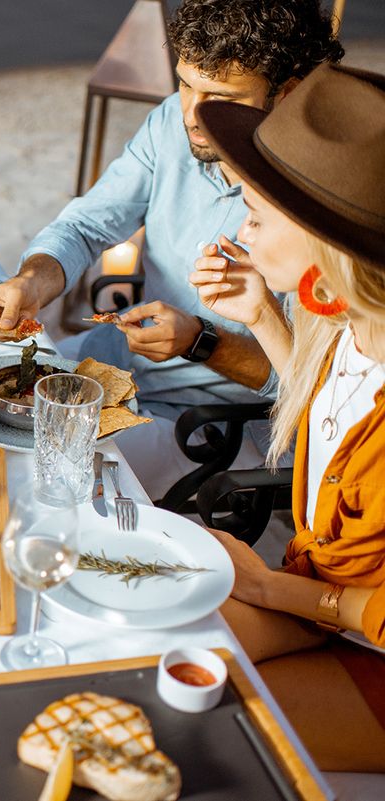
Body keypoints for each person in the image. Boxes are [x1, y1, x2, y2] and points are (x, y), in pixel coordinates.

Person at [0, 0, 343, 500]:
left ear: (289, 91)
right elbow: (87, 224)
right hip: (110, 369)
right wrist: (32, 282)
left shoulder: (324, 204)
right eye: (185, 83)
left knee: (20, 484)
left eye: (219, 96)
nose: (192, 114)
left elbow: (315, 390)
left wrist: (201, 342)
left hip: (210, 426)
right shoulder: (174, 121)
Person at [188, 64, 385, 770]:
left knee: (208, 731)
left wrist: (273, 587)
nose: (239, 228)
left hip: (365, 639)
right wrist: (263, 316)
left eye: (255, 214)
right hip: (320, 599)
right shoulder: (349, 328)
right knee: (159, 651)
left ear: (324, 253)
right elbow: (328, 419)